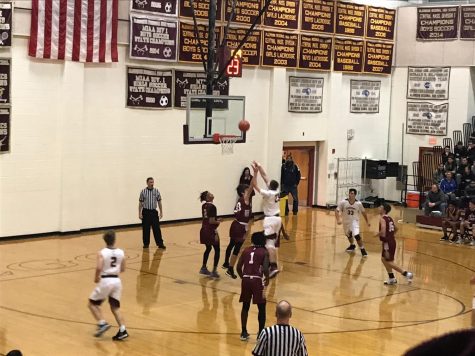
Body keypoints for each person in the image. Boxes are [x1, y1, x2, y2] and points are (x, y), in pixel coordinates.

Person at [87, 230, 128, 340]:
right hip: (117, 281)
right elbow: (123, 268)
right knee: (115, 307)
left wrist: (96, 277)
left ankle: (102, 323)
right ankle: (123, 330)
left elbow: (99, 267)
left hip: (106, 280)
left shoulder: (102, 252)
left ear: (104, 240)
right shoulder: (121, 252)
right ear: (114, 239)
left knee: (92, 303)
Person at [252, 161, 289, 279]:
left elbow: (254, 185)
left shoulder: (268, 193)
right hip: (278, 219)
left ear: (269, 186)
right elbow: (266, 176)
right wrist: (260, 166)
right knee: (271, 244)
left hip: (270, 219)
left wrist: (255, 173)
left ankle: (273, 267)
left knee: (269, 245)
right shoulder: (276, 192)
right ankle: (269, 265)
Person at [236, 231, 269, 341]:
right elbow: (264, 269)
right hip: (257, 280)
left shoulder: (246, 250)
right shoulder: (264, 252)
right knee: (262, 307)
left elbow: (238, 267)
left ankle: (243, 332)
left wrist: (243, 277)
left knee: (245, 306)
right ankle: (260, 334)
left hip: (245, 279)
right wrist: (267, 279)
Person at [222, 181, 255, 279]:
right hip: (239, 226)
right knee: (236, 247)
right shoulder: (244, 199)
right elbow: (252, 185)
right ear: (242, 193)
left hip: (237, 225)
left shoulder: (244, 200)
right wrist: (256, 172)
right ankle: (230, 267)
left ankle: (229, 267)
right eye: (247, 190)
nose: (249, 191)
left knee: (235, 246)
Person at [378, 204, 413, 285]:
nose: (378, 208)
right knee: (384, 259)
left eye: (380, 207)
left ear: (384, 210)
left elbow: (383, 232)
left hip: (387, 243)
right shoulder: (389, 218)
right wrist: (391, 235)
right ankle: (392, 278)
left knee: (389, 262)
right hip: (391, 241)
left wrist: (376, 234)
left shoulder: (383, 219)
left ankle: (406, 274)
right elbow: (396, 229)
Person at [335, 188, 370, 257]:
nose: (351, 195)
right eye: (350, 193)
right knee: (348, 235)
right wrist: (338, 219)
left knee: (357, 235)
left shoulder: (358, 203)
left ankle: (363, 250)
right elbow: (336, 210)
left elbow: (363, 212)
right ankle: (352, 245)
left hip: (355, 222)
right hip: (346, 222)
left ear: (355, 195)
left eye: (352, 194)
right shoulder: (343, 202)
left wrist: (367, 221)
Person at [138, 177, 166, 249]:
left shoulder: (156, 191)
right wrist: (139, 213)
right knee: (146, 229)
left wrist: (161, 212)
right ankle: (146, 244)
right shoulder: (143, 191)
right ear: (147, 183)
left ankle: (160, 243)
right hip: (146, 212)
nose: (152, 184)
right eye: (150, 182)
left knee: (156, 229)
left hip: (153, 212)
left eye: (153, 182)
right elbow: (140, 203)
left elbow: (159, 201)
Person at [199, 191, 221, 278]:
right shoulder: (212, 207)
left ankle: (203, 268)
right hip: (210, 231)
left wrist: (215, 219)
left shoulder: (204, 205)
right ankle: (214, 271)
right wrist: (218, 221)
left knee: (208, 248)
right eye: (210, 194)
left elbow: (208, 218)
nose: (212, 194)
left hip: (203, 230)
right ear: (207, 197)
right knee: (217, 249)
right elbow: (211, 221)